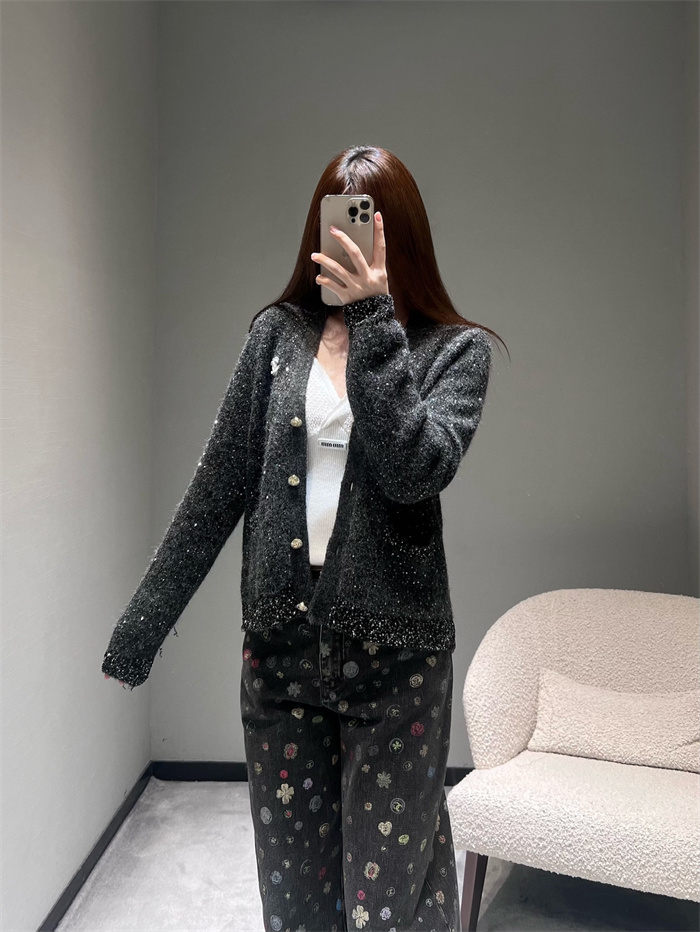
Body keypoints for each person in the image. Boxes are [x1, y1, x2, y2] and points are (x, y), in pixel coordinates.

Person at [103, 145, 502, 932]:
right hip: (281, 658)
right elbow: (217, 489)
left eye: (368, 225)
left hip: (398, 666)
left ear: (400, 237)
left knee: (386, 907)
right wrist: (143, 626)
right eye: (336, 221)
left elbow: (416, 470)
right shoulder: (275, 338)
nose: (349, 240)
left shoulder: (455, 352)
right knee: (295, 903)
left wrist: (374, 320)